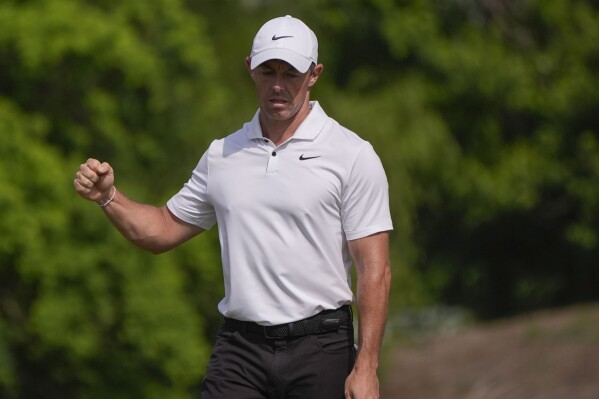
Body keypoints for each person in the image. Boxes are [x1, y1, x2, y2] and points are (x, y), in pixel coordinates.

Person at [74, 15, 392, 399]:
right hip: (241, 349)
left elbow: (374, 270)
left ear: (314, 74)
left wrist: (367, 367)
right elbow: (161, 229)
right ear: (249, 69)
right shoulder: (223, 154)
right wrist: (109, 196)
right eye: (267, 70)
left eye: (291, 73)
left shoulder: (352, 155)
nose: (277, 85)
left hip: (321, 348)